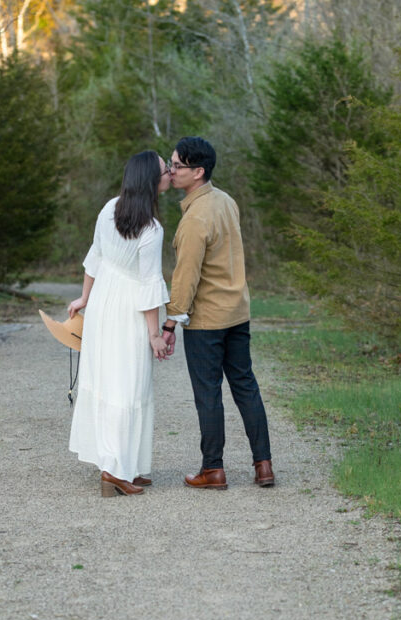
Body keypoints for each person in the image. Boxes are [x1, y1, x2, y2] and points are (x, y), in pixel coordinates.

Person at [161, 137, 274, 490]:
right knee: (245, 387)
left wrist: (170, 322)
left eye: (177, 165)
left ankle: (213, 470)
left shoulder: (195, 218)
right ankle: (264, 465)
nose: (171, 170)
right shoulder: (226, 201)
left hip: (207, 320)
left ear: (198, 172)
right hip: (237, 312)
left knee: (208, 392)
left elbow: (186, 276)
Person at [67, 151, 172, 497]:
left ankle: (125, 465)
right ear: (150, 181)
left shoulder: (109, 208)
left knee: (112, 382)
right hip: (127, 308)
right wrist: (155, 334)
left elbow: (95, 258)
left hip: (103, 305)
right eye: (164, 170)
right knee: (128, 385)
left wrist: (85, 298)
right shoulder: (151, 228)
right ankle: (114, 470)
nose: (170, 174)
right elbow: (149, 284)